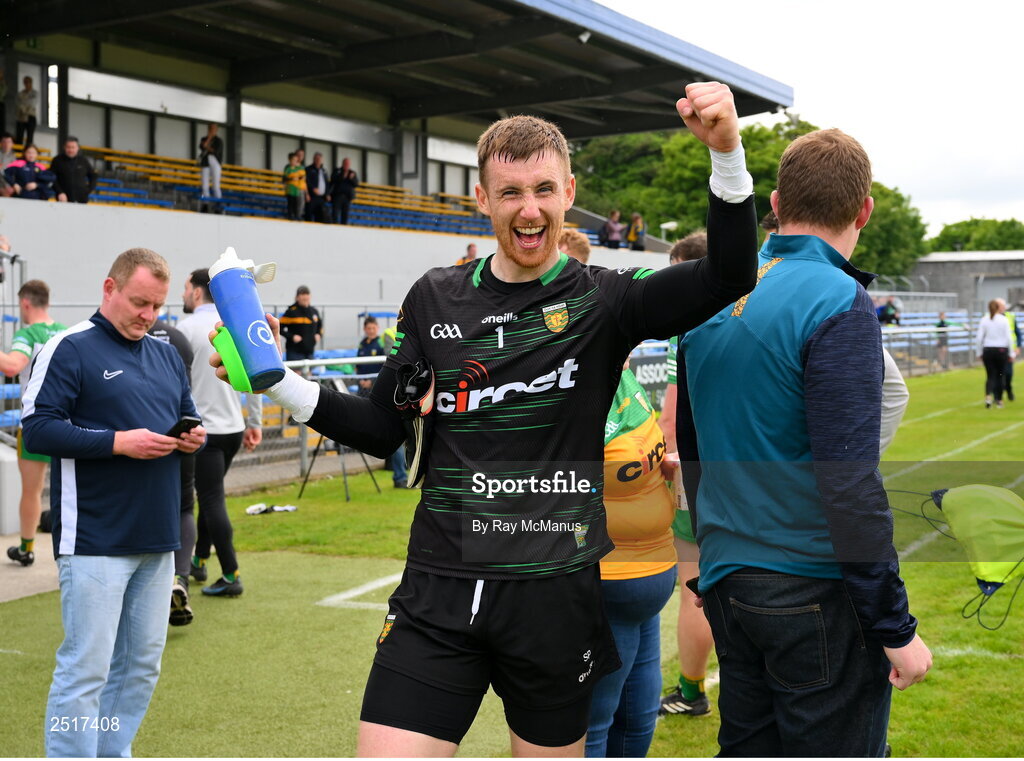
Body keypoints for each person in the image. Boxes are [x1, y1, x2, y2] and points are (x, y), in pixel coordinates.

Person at [210, 81, 758, 756]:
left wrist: (726, 151)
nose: (529, 210)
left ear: (568, 192)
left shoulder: (606, 301)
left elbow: (730, 273)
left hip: (554, 600)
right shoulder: (435, 297)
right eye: (510, 193)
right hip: (439, 592)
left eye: (544, 191)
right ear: (481, 200)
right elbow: (384, 428)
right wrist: (279, 382)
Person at [676, 128, 931, 757]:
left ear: (776, 202)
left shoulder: (711, 296)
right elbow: (847, 478)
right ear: (864, 210)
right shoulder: (838, 298)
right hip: (809, 588)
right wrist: (893, 624)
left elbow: (693, 451)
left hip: (729, 583)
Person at [23, 248, 206, 757]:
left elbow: (187, 414)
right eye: (139, 302)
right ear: (109, 289)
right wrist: (117, 441)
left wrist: (194, 437)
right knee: (87, 668)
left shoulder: (166, 352)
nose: (148, 315)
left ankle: (111, 752)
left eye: (156, 305)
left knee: (140, 667)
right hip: (95, 539)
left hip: (157, 534)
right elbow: (37, 429)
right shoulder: (68, 347)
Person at [558, 228, 676, 757]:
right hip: (607, 577)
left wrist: (662, 467)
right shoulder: (563, 378)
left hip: (646, 577)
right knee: (598, 722)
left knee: (638, 711)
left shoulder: (620, 366)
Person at [654, 230, 716, 719]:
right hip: (754, 472)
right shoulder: (750, 307)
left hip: (699, 472)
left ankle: (690, 691)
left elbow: (672, 418)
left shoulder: (692, 323)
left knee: (695, 585)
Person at [178, 268, 262, 600]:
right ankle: (199, 559)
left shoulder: (184, 329)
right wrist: (255, 422)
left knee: (211, 499)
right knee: (209, 495)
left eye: (185, 288)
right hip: (233, 428)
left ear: (197, 292)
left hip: (205, 431)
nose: (182, 294)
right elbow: (256, 377)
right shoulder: (233, 325)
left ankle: (230, 574)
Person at [0, 280, 67, 567]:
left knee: (32, 488)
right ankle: (70, 547)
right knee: (70, 486)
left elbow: (13, 365)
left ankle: (27, 548)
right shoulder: (66, 331)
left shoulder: (28, 333)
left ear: (25, 303)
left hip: (36, 421)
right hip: (68, 419)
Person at [147, 317, 198, 626]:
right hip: (184, 428)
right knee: (185, 505)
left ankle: (158, 582)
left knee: (149, 504)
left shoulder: (129, 336)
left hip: (143, 434)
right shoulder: (180, 337)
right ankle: (180, 576)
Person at [357, 316, 407, 488]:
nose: (371, 330)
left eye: (373, 327)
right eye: (368, 328)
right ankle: (399, 474)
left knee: (395, 433)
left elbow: (386, 364)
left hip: (388, 390)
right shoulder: (364, 344)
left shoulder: (383, 340)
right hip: (380, 390)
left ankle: (401, 475)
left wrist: (372, 380)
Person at [976, 298, 1012, 408]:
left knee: (990, 375)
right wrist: (1011, 353)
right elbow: (1009, 338)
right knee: (1000, 375)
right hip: (1001, 350)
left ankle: (988, 397)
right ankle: (999, 400)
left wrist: (979, 352)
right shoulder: (1003, 319)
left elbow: (979, 338)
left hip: (988, 350)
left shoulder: (984, 320)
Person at [279, 285, 322, 362]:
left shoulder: (314, 311)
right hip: (294, 352)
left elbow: (320, 326)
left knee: (309, 373)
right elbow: (279, 328)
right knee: (297, 373)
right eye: (303, 296)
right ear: (297, 297)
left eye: (307, 296)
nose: (305, 298)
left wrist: (319, 334)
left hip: (310, 351)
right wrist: (292, 337)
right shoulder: (291, 312)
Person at [51, 136, 97, 204]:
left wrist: (88, 190)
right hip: (63, 200)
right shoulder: (57, 160)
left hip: (82, 200)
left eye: (73, 147)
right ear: (64, 147)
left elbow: (93, 176)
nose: (71, 150)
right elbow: (52, 178)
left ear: (78, 148)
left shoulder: (83, 161)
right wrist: (59, 192)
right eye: (68, 147)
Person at [997, 299, 1021, 401]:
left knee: (1008, 373)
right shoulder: (990, 318)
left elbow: (1017, 333)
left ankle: (1009, 389)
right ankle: (998, 395)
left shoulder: (1010, 317)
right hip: (996, 350)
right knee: (998, 374)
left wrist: (1018, 347)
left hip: (1008, 350)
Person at [329, 156, 359, 225]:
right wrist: (343, 176)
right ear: (342, 164)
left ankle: (344, 229)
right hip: (337, 196)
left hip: (347, 197)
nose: (346, 165)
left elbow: (356, 184)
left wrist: (351, 178)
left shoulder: (352, 173)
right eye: (345, 163)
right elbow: (333, 180)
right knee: (335, 215)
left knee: (345, 216)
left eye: (348, 164)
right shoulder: (337, 171)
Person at [198, 123, 223, 205]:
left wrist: (207, 147)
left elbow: (215, 151)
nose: (212, 130)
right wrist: (209, 138)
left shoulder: (218, 140)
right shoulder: (204, 138)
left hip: (215, 162)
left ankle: (218, 204)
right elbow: (202, 146)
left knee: (216, 186)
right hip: (205, 162)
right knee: (205, 185)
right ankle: (206, 203)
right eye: (211, 128)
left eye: (214, 129)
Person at [282, 152, 308, 221]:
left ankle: (296, 216)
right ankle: (290, 215)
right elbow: (284, 178)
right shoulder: (288, 168)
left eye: (296, 160)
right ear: (290, 160)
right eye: (293, 160)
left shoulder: (297, 169)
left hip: (296, 189)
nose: (295, 161)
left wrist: (301, 178)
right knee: (291, 203)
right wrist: (291, 179)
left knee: (296, 203)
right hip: (290, 189)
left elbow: (300, 176)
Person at [306, 152, 330, 223]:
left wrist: (327, 194)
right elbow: (306, 181)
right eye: (316, 159)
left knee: (321, 215)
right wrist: (312, 188)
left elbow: (326, 183)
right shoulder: (308, 169)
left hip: (321, 198)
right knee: (309, 215)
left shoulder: (324, 171)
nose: (318, 160)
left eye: (319, 159)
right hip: (312, 197)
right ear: (313, 159)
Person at [15, 76, 37, 147]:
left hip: (31, 116)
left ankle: (28, 152)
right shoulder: (20, 93)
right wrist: (24, 108)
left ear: (31, 83)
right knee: (19, 136)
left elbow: (32, 104)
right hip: (21, 117)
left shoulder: (34, 93)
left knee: (30, 137)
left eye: (28, 82)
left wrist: (24, 108)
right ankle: (18, 152)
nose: (27, 84)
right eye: (25, 82)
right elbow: (18, 103)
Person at [0, 132, 16, 197]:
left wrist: (13, 186)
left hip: (10, 187)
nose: (6, 144)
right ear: (1, 143)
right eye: (4, 142)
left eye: (9, 142)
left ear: (12, 144)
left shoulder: (15, 158)